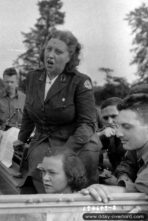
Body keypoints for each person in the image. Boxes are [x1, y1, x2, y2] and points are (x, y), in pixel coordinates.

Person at [16, 29, 101, 193]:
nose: (51, 55)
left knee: (77, 176)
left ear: (70, 57)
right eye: (48, 49)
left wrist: (65, 152)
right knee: (42, 175)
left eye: (58, 51)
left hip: (76, 141)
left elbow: (87, 124)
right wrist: (22, 138)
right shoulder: (33, 77)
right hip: (43, 140)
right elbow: (28, 110)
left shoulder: (80, 82)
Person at [81, 87, 148, 203]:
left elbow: (141, 193)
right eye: (119, 126)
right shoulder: (137, 145)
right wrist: (123, 179)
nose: (118, 133)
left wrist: (105, 190)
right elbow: (126, 165)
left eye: (127, 126)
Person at [97, 97, 126, 184]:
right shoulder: (107, 132)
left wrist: (118, 181)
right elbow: (86, 142)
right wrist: (101, 133)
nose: (110, 121)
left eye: (114, 116)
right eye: (105, 118)